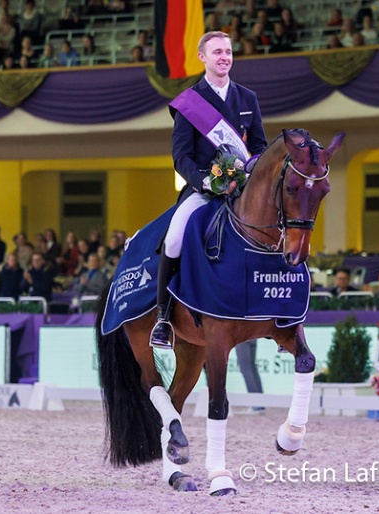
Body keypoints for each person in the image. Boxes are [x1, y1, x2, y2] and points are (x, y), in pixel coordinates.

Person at [150, 31, 267, 349]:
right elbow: (181, 156)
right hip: (203, 189)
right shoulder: (190, 102)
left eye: (228, 51)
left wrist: (248, 168)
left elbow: (259, 147)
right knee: (174, 236)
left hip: (241, 189)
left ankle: (276, 312)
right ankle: (162, 318)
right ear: (202, 57)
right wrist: (205, 180)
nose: (224, 57)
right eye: (217, 52)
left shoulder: (247, 99)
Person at [235, 339, 265, 413]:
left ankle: (255, 405)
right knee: (252, 368)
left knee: (246, 369)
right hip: (253, 337)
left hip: (241, 336)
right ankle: (260, 404)